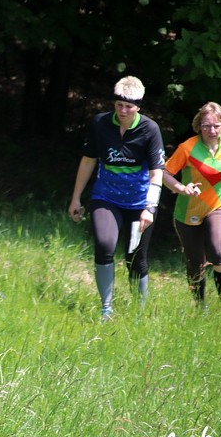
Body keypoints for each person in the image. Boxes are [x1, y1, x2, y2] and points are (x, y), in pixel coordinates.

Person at [68, 76, 165, 321]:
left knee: (135, 258)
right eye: (119, 105)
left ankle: (138, 314)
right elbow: (88, 160)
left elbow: (156, 172)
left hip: (139, 203)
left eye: (128, 106)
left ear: (138, 106)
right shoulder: (100, 123)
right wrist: (76, 198)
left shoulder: (150, 129)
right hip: (106, 197)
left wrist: (150, 208)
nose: (123, 111)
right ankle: (106, 309)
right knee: (104, 245)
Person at [162, 102, 221, 327]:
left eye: (216, 126)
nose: (212, 131)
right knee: (195, 264)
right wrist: (181, 188)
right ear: (198, 126)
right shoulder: (187, 148)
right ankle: (200, 308)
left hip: (218, 206)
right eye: (206, 126)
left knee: (219, 251)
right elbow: (164, 173)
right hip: (188, 211)